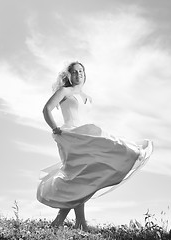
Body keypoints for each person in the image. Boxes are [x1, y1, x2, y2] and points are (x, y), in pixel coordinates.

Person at [37, 61, 153, 231]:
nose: (79, 74)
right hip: (71, 137)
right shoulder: (64, 91)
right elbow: (46, 109)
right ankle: (78, 223)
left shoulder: (88, 98)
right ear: (69, 75)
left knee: (85, 177)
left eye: (81, 71)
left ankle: (67, 221)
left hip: (88, 136)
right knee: (77, 177)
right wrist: (55, 129)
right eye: (75, 72)